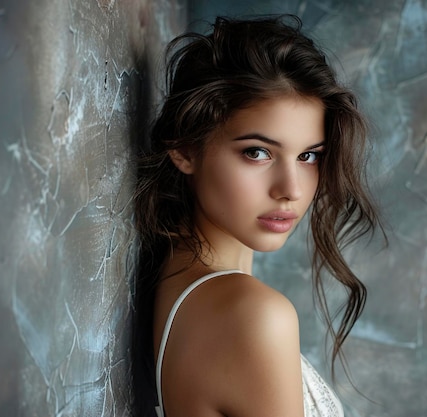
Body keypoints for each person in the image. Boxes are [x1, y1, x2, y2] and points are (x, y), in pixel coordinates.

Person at [131, 14, 383, 417]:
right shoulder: (253, 315)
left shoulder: (183, 282)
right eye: (257, 152)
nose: (292, 189)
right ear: (183, 149)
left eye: (308, 156)